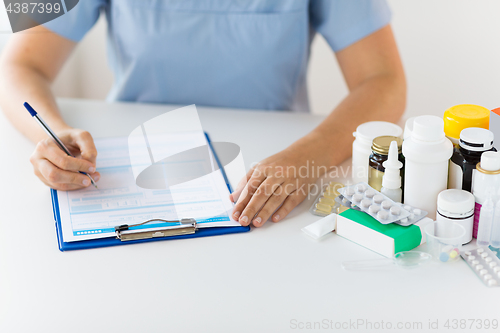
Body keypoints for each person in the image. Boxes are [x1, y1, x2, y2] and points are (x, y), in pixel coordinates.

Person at [0, 0, 406, 228]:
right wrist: (54, 136)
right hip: (129, 169)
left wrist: (309, 156)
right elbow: (17, 66)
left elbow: (384, 79)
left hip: (277, 172)